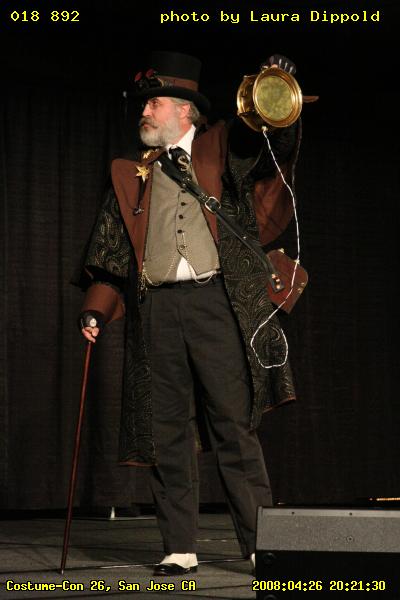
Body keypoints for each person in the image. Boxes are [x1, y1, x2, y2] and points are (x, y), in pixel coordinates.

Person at [75, 50, 300, 575]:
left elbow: (270, 147)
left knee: (233, 427)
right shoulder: (132, 173)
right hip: (156, 308)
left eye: (153, 103)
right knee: (167, 430)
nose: (144, 112)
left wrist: (278, 93)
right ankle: (179, 546)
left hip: (215, 303)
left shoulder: (221, 147)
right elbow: (112, 253)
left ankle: (261, 545)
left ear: (183, 109)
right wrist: (96, 311)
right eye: (144, 104)